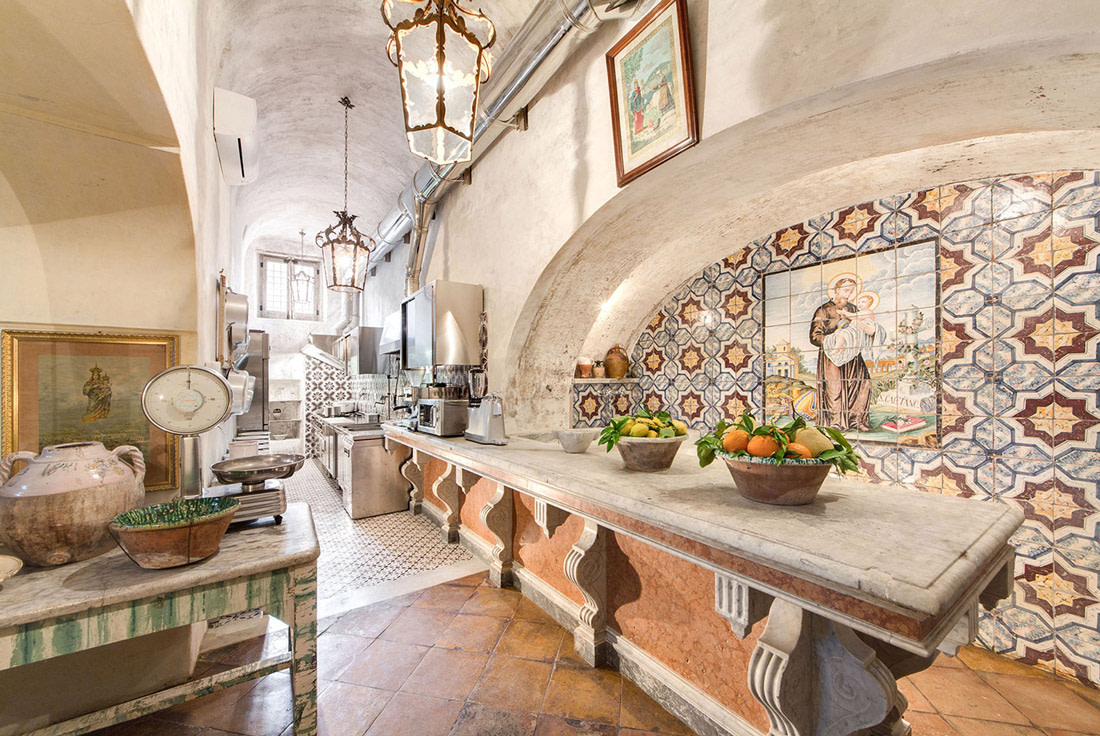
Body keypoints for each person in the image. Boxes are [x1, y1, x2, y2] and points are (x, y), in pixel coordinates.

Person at [809, 279, 882, 431]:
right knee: (835, 389)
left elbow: (864, 326)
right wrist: (834, 339)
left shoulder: (853, 308)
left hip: (853, 356)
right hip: (832, 358)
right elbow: (815, 336)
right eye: (845, 291)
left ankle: (857, 420)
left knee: (863, 383)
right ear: (836, 290)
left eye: (851, 291)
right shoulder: (824, 310)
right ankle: (836, 423)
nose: (848, 295)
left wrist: (872, 332)